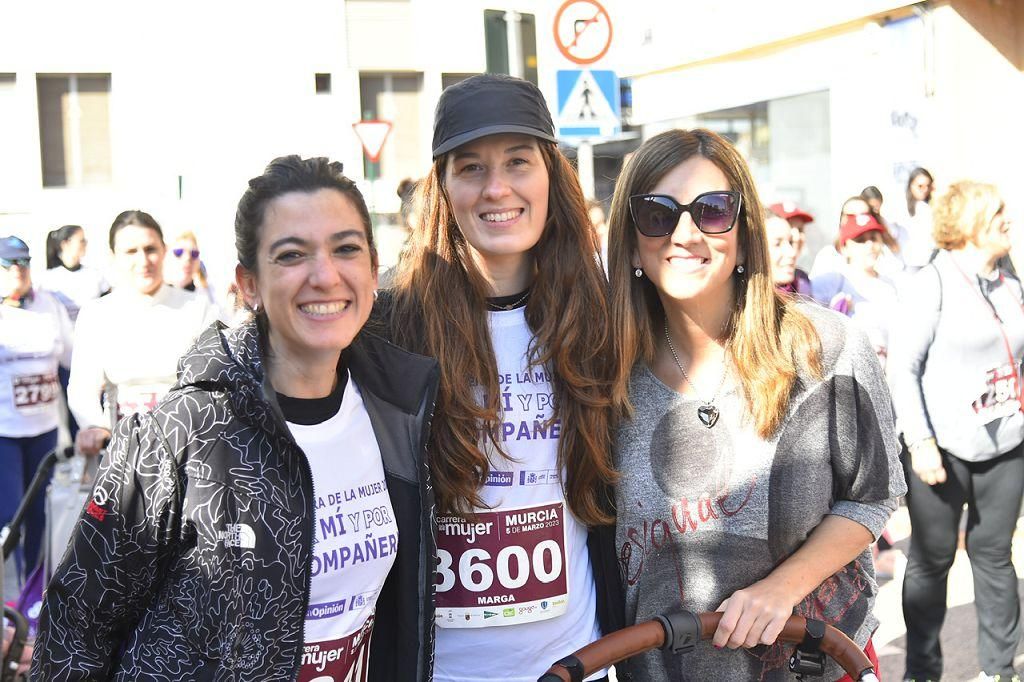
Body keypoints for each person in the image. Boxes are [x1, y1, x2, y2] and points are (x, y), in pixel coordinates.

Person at [33, 156, 440, 681]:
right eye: (292, 255)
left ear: (372, 264)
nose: (325, 275)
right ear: (248, 285)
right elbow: (76, 624)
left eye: (346, 249)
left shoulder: (397, 408)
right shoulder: (189, 429)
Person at [606, 128, 905, 681]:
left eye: (713, 210)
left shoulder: (826, 348)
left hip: (809, 662)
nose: (686, 233)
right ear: (630, 242)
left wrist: (780, 589)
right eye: (657, 214)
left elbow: (874, 496)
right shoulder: (603, 376)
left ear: (744, 233)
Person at [381, 73, 624, 682]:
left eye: (518, 162)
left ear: (551, 176)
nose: (497, 189)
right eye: (470, 168)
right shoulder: (390, 327)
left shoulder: (600, 315)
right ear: (443, 187)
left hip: (576, 665)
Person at [889, 180, 1022, 682]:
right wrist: (920, 443)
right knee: (933, 560)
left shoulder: (1008, 278)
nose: (1009, 219)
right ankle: (922, 670)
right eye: (997, 213)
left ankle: (998, 671)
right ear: (966, 227)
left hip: (1006, 443)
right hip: (940, 450)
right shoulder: (933, 283)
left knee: (994, 557)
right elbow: (903, 369)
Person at [67, 210, 219, 457]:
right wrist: (93, 425)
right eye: (130, 252)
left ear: (164, 250)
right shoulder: (97, 314)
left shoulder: (199, 308)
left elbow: (217, 383)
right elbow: (82, 387)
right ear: (113, 256)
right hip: (123, 453)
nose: (143, 260)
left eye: (150, 249)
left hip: (190, 451)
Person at [0, 235, 73, 582]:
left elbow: (72, 358)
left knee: (41, 516)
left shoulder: (49, 304)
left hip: (43, 430)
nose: (19, 270)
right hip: (6, 434)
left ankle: (33, 591)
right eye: (10, 263)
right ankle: (7, 591)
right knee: (10, 515)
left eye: (25, 262)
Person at [811, 213, 899, 367]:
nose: (869, 245)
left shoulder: (891, 285)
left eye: (874, 237)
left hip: (884, 373)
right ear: (844, 247)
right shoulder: (832, 281)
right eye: (861, 240)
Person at [40, 224, 108, 323]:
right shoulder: (48, 280)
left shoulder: (95, 275)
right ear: (65, 244)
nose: (85, 244)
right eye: (82, 241)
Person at [890, 167, 936, 271]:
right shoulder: (900, 206)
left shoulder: (928, 207)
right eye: (920, 186)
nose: (925, 190)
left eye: (928, 186)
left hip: (928, 263)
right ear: (911, 185)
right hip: (908, 265)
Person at [765, 210, 812, 297]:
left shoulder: (803, 288)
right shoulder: (743, 305)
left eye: (791, 242)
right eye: (777, 244)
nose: (792, 253)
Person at [166, 229, 215, 302]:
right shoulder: (152, 294)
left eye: (194, 254)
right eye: (179, 252)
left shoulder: (205, 299)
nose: (187, 258)